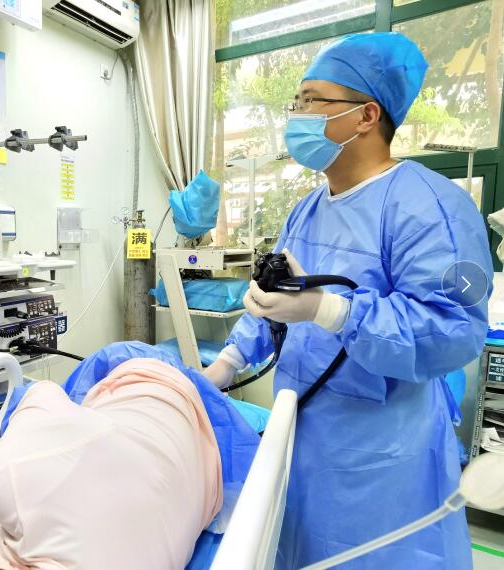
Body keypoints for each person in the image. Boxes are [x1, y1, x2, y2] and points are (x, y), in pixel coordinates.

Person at [204, 32, 492, 569]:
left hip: (381, 454)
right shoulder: (308, 208)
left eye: (313, 100)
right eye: (297, 101)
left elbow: (453, 330)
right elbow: (278, 297)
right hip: (303, 430)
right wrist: (227, 361)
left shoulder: (431, 207)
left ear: (366, 115)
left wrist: (332, 311)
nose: (298, 114)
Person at [0, 357, 226, 569]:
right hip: (151, 386)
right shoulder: (13, 474)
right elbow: (42, 392)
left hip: (201, 471)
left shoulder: (8, 548)